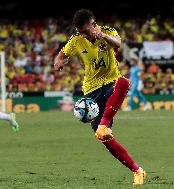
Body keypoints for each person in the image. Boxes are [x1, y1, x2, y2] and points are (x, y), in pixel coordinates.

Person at [54, 9, 146, 185]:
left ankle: (104, 124)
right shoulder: (76, 41)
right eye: (81, 32)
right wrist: (58, 62)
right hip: (91, 90)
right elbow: (62, 54)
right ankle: (137, 170)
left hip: (111, 82)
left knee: (124, 82)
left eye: (87, 31)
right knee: (101, 135)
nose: (84, 35)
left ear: (94, 24)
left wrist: (102, 35)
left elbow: (118, 43)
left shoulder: (108, 32)